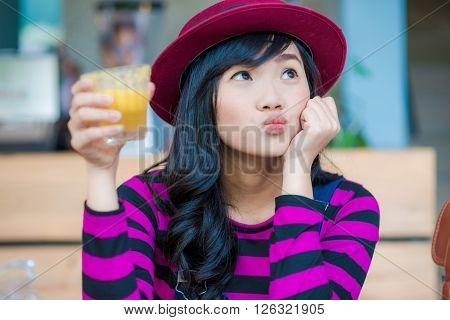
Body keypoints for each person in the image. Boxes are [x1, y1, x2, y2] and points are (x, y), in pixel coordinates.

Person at [68, 0, 380, 300]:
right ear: (203, 101)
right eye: (243, 75)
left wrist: (297, 170)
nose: (273, 99)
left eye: (289, 73)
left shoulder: (348, 208)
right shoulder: (146, 203)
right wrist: (99, 172)